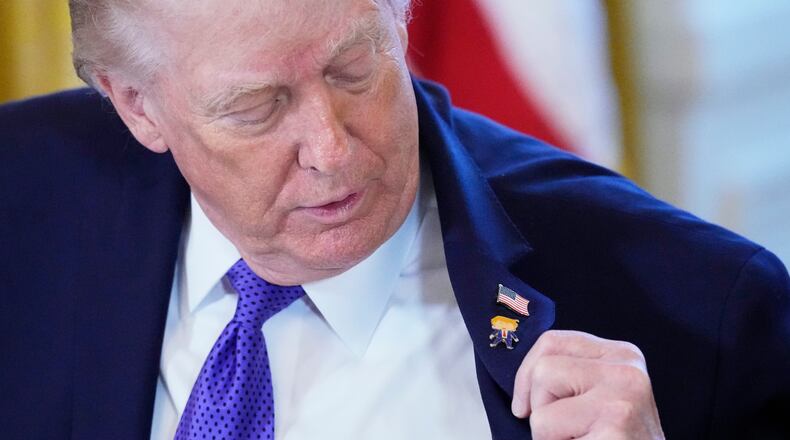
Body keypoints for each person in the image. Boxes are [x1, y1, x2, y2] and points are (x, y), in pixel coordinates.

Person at [0, 0, 788, 439]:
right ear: (137, 106)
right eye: (257, 108)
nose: (332, 149)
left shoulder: (706, 309)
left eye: (355, 68)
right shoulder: (21, 199)